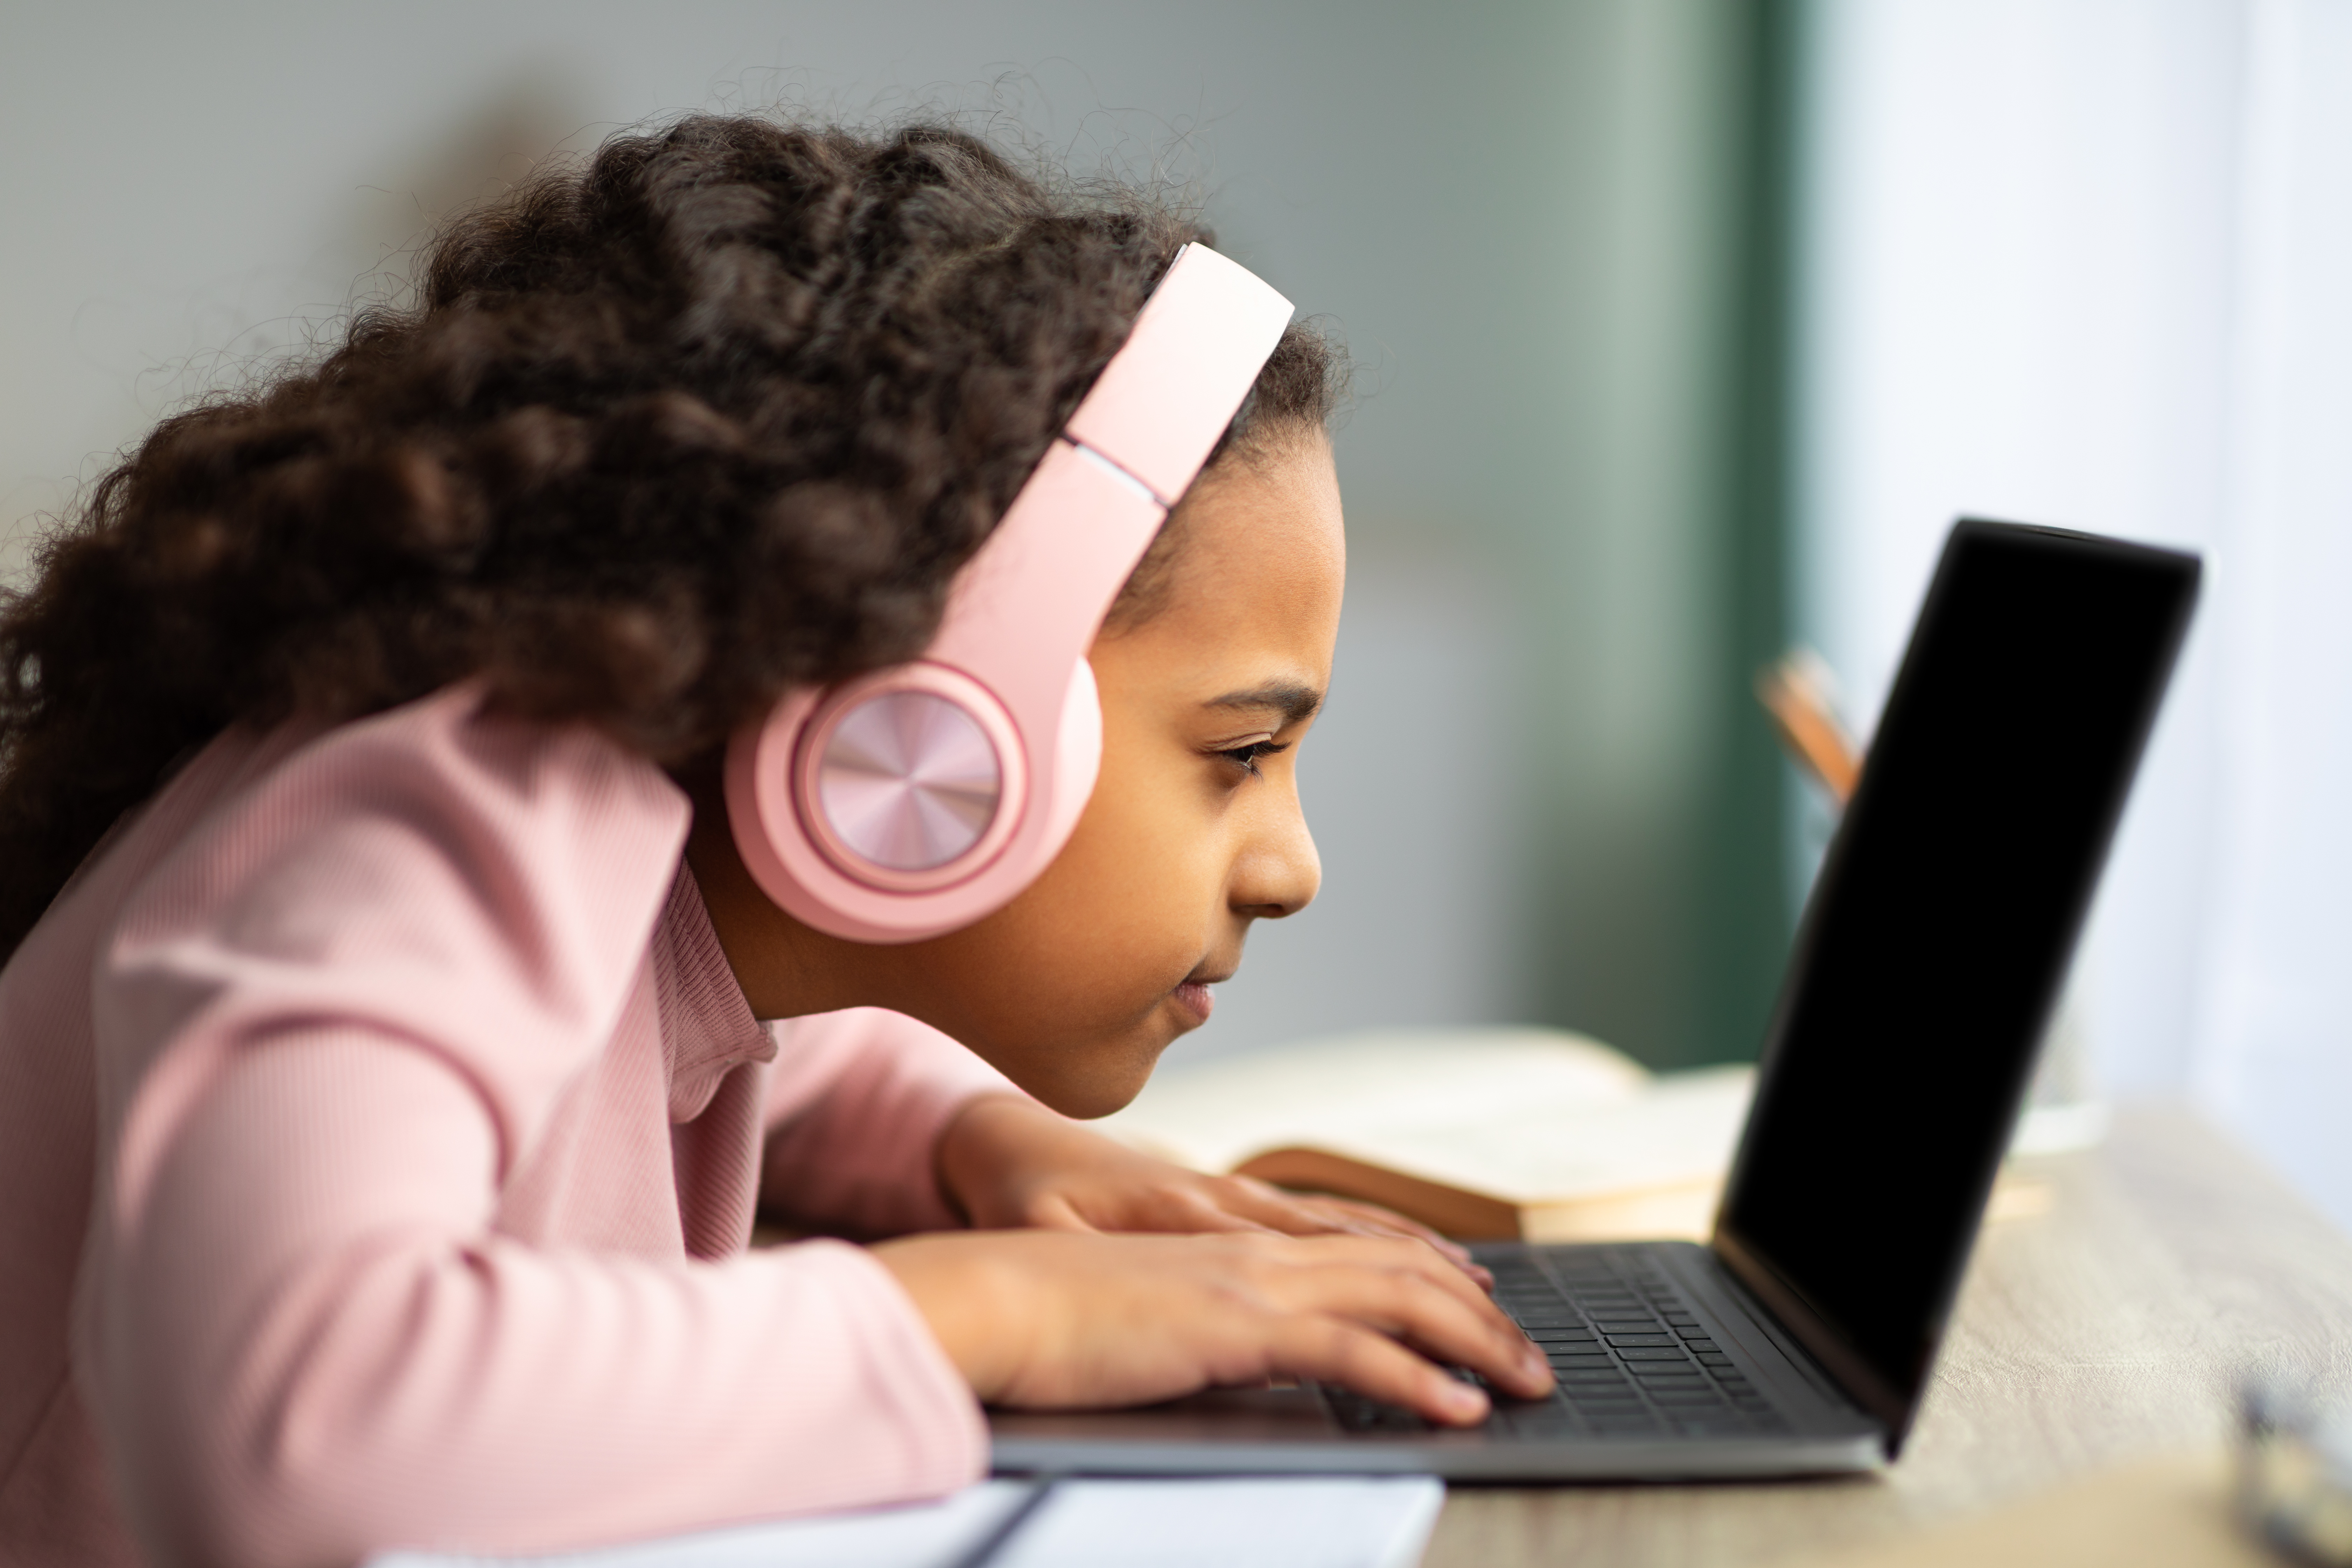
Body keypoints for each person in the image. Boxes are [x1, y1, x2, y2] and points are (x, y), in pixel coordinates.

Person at [0, 115, 1552, 1567]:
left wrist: (974, 1142)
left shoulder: (607, 841)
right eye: (1242, 753)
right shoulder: (418, 829)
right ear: (931, 732)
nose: (1293, 864)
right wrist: (994, 1310)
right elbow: (291, 1414)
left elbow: (668, 1038)